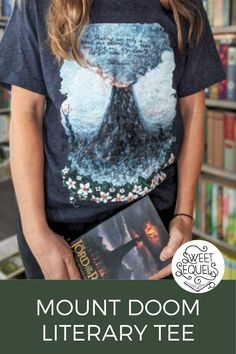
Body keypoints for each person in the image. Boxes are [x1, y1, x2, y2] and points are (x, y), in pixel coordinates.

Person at [0, 0, 225, 280]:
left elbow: (192, 111)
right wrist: (37, 234)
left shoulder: (184, 6)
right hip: (57, 230)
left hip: (157, 229)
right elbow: (26, 113)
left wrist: (184, 216)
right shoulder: (37, 5)